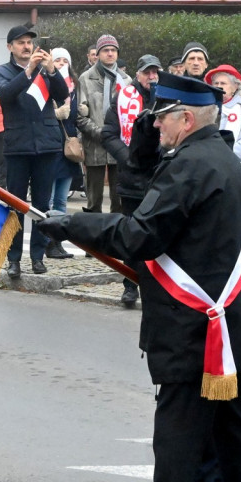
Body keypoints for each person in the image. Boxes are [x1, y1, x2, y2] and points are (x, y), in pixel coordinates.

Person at [38, 72, 241, 482]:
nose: (155, 125)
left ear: (184, 118)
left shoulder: (190, 168)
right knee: (236, 424)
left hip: (194, 327)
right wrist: (147, 150)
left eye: (160, 118)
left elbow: (139, 236)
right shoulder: (228, 164)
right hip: (231, 321)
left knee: (176, 429)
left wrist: (72, 223)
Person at [0, 25, 69, 278]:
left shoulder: (45, 71)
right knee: (15, 204)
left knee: (41, 205)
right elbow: (5, 94)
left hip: (46, 144)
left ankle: (37, 256)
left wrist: (51, 70)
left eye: (29, 42)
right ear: (10, 47)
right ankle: (13, 258)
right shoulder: (1, 72)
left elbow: (62, 93)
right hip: (18, 146)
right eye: (21, 42)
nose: (27, 46)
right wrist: (29, 71)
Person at [101, 54, 163, 307]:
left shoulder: (167, 98)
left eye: (155, 72)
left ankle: (156, 285)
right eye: (147, 72)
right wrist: (127, 157)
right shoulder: (123, 97)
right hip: (132, 180)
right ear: (137, 74)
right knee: (132, 235)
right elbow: (108, 133)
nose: (151, 77)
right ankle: (130, 286)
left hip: (160, 176)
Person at [77, 34, 129, 214]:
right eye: (105, 50)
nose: (110, 54)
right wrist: (101, 133)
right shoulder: (85, 78)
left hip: (119, 146)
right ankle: (91, 240)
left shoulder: (126, 80)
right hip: (94, 144)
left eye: (113, 50)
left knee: (119, 200)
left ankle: (116, 239)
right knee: (94, 201)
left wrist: (115, 137)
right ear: (97, 54)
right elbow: (80, 116)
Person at [45, 48, 79, 260]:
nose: (61, 63)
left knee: (61, 201)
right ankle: (47, 242)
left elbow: (75, 116)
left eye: (65, 60)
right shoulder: (45, 83)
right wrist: (55, 113)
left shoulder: (75, 86)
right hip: (50, 146)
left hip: (68, 147)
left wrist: (79, 110)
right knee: (47, 200)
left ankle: (58, 243)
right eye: (57, 60)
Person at [205, 64, 241, 173]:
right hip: (208, 166)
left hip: (236, 168)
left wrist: (220, 157)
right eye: (216, 83)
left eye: (223, 83)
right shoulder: (206, 109)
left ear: (235, 86)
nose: (219, 86)